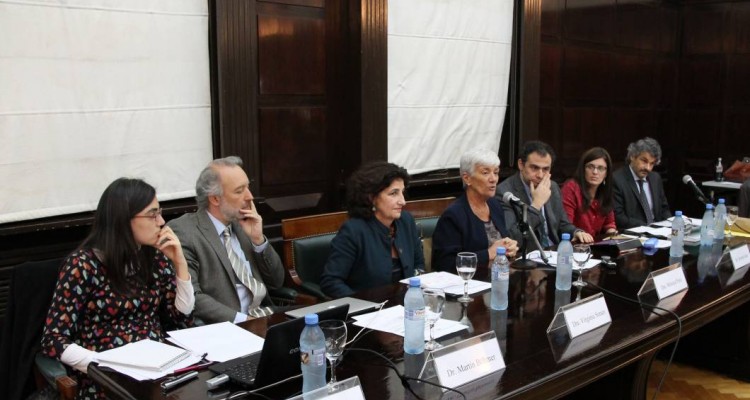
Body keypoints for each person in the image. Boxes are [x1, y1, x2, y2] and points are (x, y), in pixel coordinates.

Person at [41, 178, 194, 399]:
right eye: (152, 214)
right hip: (108, 378)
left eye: (160, 212)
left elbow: (181, 319)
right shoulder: (83, 265)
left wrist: (180, 265)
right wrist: (103, 365)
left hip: (158, 370)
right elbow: (53, 339)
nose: (161, 221)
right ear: (124, 220)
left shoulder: (154, 257)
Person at [169, 156, 284, 324]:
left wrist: (258, 240)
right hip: (229, 326)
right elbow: (194, 297)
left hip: (266, 314)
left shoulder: (243, 223)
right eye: (239, 191)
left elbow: (277, 282)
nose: (250, 197)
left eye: (248, 187)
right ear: (215, 198)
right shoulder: (185, 231)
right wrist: (245, 320)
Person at [320, 161, 424, 298]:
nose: (402, 201)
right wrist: (363, 305)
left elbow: (418, 265)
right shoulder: (354, 231)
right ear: (372, 198)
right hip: (369, 313)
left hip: (407, 307)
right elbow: (330, 282)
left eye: (402, 193)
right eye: (394, 193)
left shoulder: (406, 221)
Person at [432, 149, 518, 272]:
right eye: (485, 173)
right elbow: (445, 264)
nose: (493, 179)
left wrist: (509, 247)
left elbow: (500, 245)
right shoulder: (453, 215)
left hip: (498, 278)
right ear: (467, 178)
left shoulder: (495, 205)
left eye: (496, 172)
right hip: (469, 284)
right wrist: (488, 254)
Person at [497, 140, 593, 251]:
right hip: (527, 256)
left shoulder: (552, 186)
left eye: (546, 169)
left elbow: (562, 224)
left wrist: (575, 232)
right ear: (521, 165)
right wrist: (536, 205)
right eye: (534, 168)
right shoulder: (504, 192)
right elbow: (514, 237)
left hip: (553, 251)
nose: (540, 175)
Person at [612, 137, 671, 229]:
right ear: (632, 156)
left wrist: (671, 225)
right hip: (632, 235)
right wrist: (648, 228)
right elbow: (619, 217)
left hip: (659, 235)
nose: (648, 168)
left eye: (652, 163)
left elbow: (664, 209)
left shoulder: (655, 178)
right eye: (644, 161)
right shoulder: (617, 179)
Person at [561, 147, 618, 237]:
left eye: (600, 168)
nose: (595, 172)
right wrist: (578, 233)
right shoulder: (571, 187)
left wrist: (613, 234)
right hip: (574, 245)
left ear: (606, 173)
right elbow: (566, 225)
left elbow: (609, 223)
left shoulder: (605, 190)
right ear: (583, 169)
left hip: (595, 245)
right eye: (590, 167)